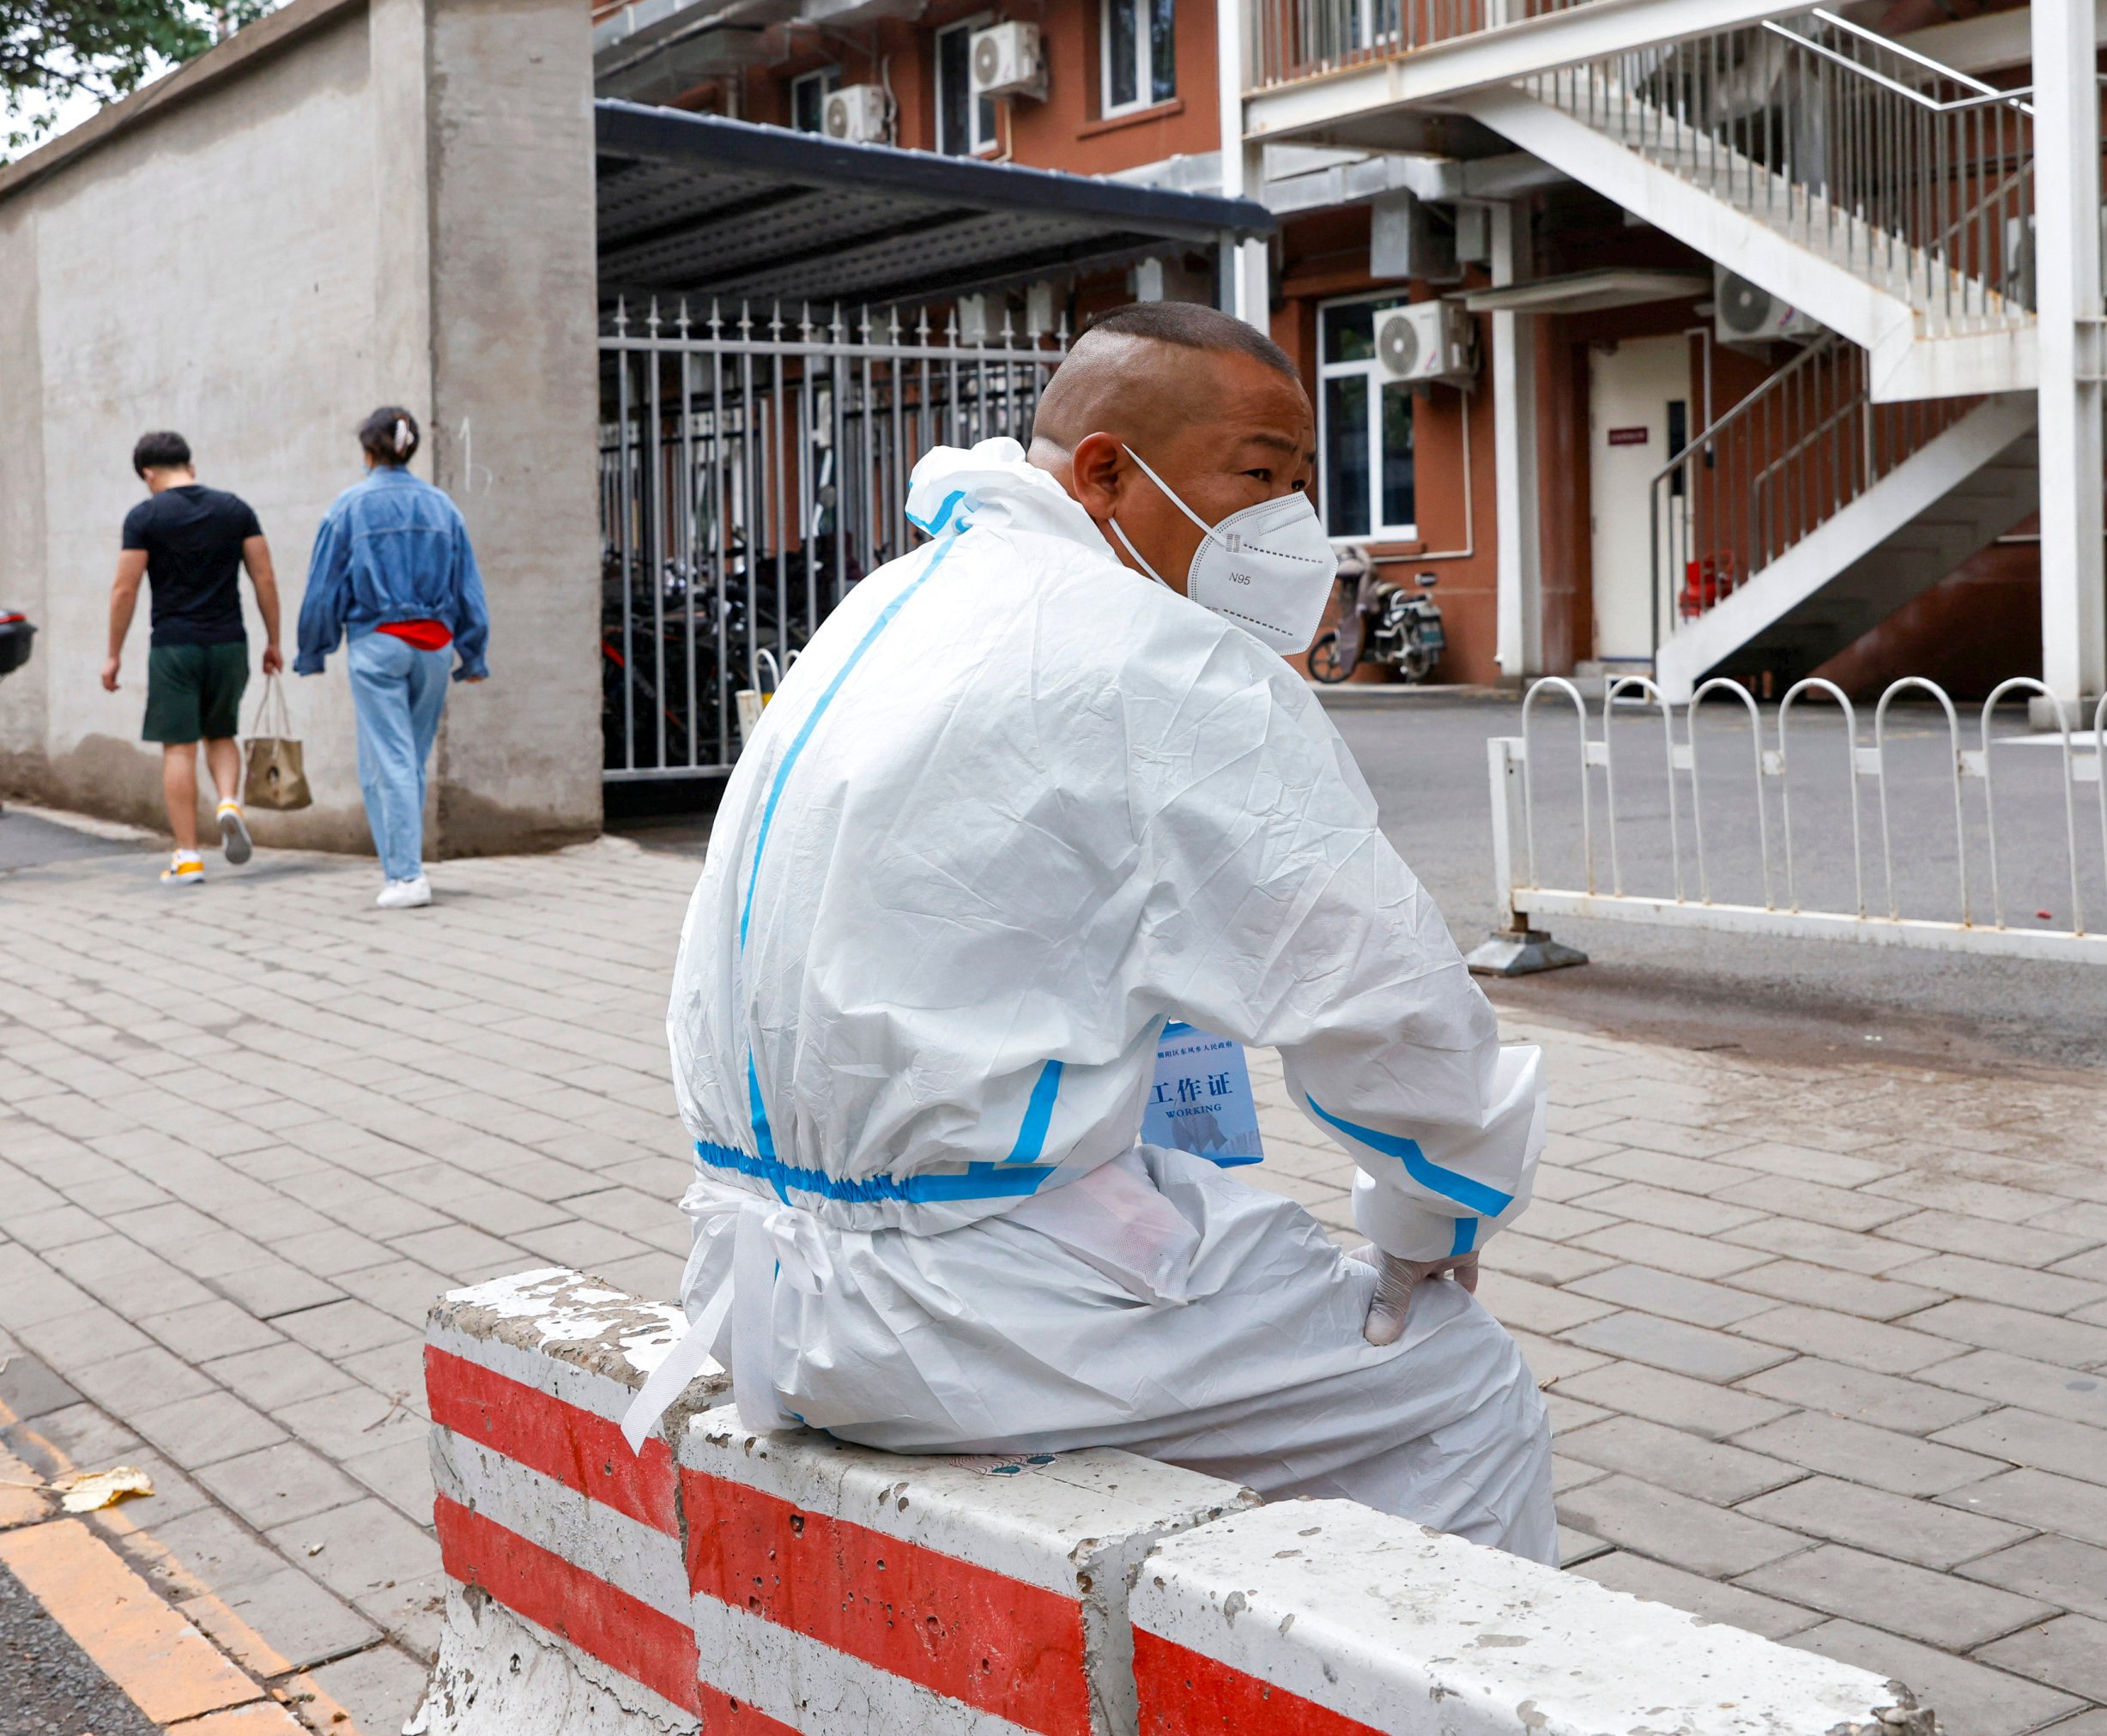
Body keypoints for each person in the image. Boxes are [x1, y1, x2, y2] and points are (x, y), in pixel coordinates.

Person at [642, 302, 1553, 1558]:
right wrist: (1430, 1226)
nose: (1286, 525)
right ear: (1109, 472)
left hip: (754, 1280)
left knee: (1200, 1225)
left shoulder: (885, 608)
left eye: (1300, 483)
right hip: (972, 1318)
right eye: (1256, 476)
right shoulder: (1157, 659)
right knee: (1454, 1390)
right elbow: (1390, 1009)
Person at [293, 406, 488, 910]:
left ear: (368, 451)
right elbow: (469, 587)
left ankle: (406, 875)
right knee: (404, 760)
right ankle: (398, 867)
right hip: (434, 647)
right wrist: (473, 651)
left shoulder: (349, 507)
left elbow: (322, 589)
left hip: (377, 645)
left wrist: (313, 650)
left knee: (391, 760)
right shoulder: (443, 508)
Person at [104, 430, 284, 886]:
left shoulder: (145, 517)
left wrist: (113, 655)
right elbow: (264, 577)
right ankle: (228, 801)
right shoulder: (235, 509)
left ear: (148, 474)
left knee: (179, 748)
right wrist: (274, 640)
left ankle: (187, 855)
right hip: (230, 642)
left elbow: (125, 589)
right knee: (221, 732)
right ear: (191, 466)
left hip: (175, 645)